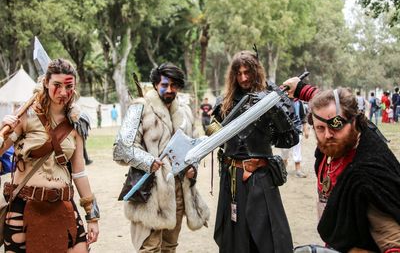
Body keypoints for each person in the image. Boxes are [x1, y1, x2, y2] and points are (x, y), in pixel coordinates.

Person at [283, 77, 400, 253]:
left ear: (355, 121)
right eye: (320, 128)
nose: (328, 134)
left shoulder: (367, 174)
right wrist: (301, 89)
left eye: (336, 127)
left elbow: (392, 240)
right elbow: (328, 109)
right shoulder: (334, 143)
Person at [0, 58, 99, 252]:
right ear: (45, 83)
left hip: (63, 206)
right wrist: (3, 128)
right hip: (25, 206)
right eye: (57, 85)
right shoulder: (25, 116)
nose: (63, 92)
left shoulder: (76, 123)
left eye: (68, 86)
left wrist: (92, 217)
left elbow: (79, 172)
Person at [113, 63, 209, 252]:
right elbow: (121, 148)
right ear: (156, 84)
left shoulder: (185, 111)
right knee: (149, 248)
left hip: (179, 192)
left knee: (170, 247)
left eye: (174, 85)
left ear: (179, 87)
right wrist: (148, 161)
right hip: (150, 192)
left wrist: (193, 167)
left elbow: (195, 146)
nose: (169, 89)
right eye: (165, 84)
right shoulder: (139, 107)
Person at [209, 51, 299, 253]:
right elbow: (213, 138)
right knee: (233, 240)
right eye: (239, 73)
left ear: (256, 72)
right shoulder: (223, 102)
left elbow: (290, 138)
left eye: (247, 72)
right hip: (231, 177)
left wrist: (271, 105)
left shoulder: (270, 99)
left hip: (259, 176)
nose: (243, 78)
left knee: (267, 238)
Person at [280, 98, 309, 178]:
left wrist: (305, 129)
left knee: (297, 149)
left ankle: (298, 169)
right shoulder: (282, 100)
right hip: (285, 131)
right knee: (284, 151)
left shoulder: (299, 102)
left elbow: (303, 117)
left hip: (297, 129)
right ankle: (283, 168)